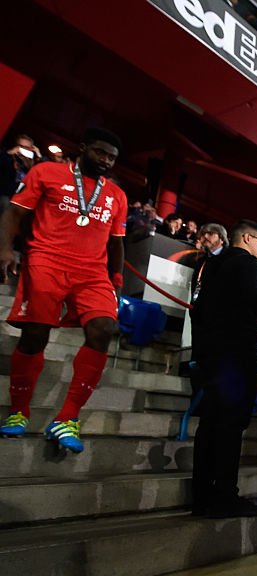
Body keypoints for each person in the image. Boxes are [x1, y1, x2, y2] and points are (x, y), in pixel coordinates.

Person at [0, 128, 127, 453]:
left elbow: (117, 241)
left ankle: (67, 418)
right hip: (46, 260)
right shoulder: (47, 172)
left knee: (104, 328)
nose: (105, 161)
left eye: (111, 157)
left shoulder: (117, 195)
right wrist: (5, 250)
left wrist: (116, 278)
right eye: (100, 153)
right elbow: (14, 213)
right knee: (36, 334)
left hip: (93, 272)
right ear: (83, 148)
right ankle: (19, 412)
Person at [189, 220, 257, 517]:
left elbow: (199, 310)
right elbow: (256, 297)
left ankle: (202, 496)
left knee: (210, 425)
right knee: (230, 426)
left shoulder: (214, 266)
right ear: (247, 238)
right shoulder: (248, 264)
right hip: (235, 356)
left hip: (211, 355)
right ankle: (225, 495)